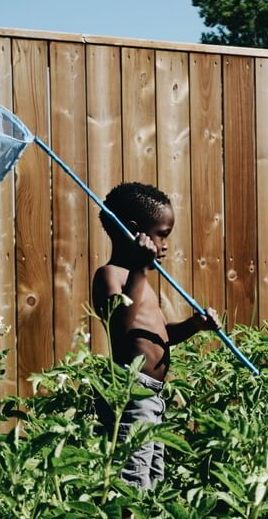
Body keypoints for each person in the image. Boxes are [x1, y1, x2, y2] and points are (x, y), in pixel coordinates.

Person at [91, 182, 220, 490]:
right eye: (162, 234)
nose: (165, 245)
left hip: (151, 397)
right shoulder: (111, 275)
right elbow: (120, 325)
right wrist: (138, 269)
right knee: (129, 480)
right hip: (129, 395)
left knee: (151, 480)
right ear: (136, 231)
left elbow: (159, 334)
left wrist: (193, 326)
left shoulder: (139, 280)